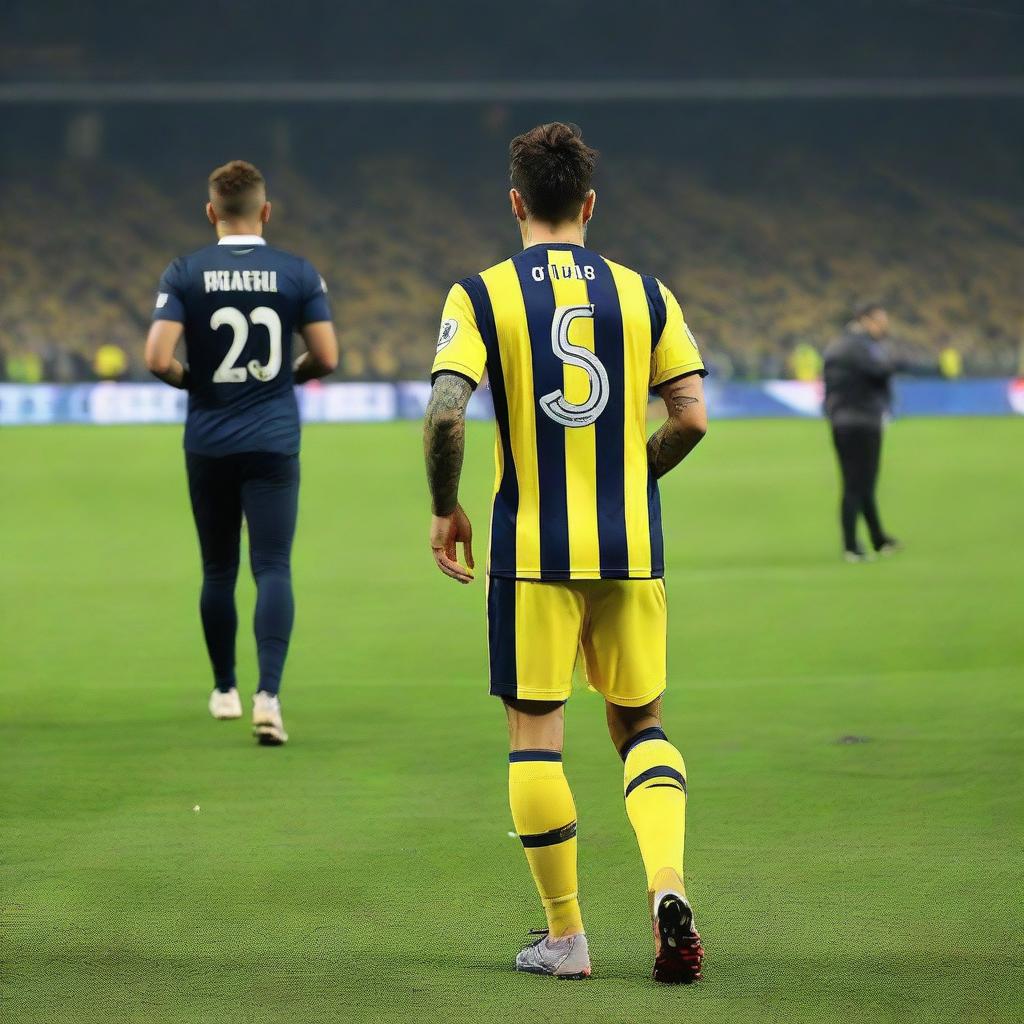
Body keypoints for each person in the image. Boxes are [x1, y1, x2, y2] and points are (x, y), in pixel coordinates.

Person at [422, 123, 708, 983]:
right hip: (629, 546)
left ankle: (566, 938)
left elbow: (445, 412)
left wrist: (446, 508)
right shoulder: (646, 293)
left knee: (535, 737)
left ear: (515, 202)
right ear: (589, 204)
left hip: (530, 550)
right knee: (642, 725)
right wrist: (631, 471)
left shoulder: (479, 295)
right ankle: (666, 890)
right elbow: (690, 414)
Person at [144, 160, 338, 745]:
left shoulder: (185, 272)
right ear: (266, 211)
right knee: (272, 566)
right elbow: (326, 357)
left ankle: (224, 688)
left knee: (218, 569)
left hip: (209, 440)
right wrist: (283, 377)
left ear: (211, 213)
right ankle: (268, 697)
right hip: (274, 439)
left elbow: (156, 357)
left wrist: (196, 383)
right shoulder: (297, 273)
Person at [823, 301, 902, 562]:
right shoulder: (859, 347)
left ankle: (878, 539)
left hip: (843, 420)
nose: (884, 327)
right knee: (857, 484)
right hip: (861, 420)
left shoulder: (839, 345)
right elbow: (881, 371)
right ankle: (851, 546)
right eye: (880, 321)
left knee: (863, 483)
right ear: (865, 320)